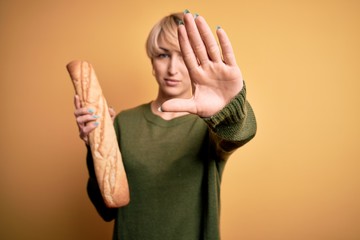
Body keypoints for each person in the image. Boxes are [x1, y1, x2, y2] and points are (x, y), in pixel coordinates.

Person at [73, 10, 256, 240]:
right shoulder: (124, 122)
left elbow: (240, 131)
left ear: (196, 63)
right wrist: (94, 146)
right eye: (163, 55)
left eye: (182, 56)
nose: (172, 69)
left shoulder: (209, 127)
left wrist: (229, 108)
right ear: (151, 60)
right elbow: (106, 209)